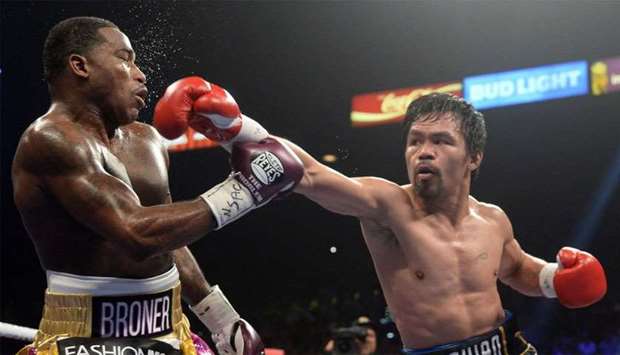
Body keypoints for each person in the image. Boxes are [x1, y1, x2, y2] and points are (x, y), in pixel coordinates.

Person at [175, 88, 608, 354]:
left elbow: (517, 270)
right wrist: (232, 125)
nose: (424, 150)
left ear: (473, 157)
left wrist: (557, 278)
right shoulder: (387, 206)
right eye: (415, 140)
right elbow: (305, 171)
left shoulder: (493, 219)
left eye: (441, 141)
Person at [11, 17, 302, 355]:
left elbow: (168, 239)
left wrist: (222, 319)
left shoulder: (146, 140)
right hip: (85, 338)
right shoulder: (49, 140)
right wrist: (246, 191)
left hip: (169, 328)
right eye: (124, 57)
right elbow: (137, 235)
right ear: (80, 66)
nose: (140, 73)